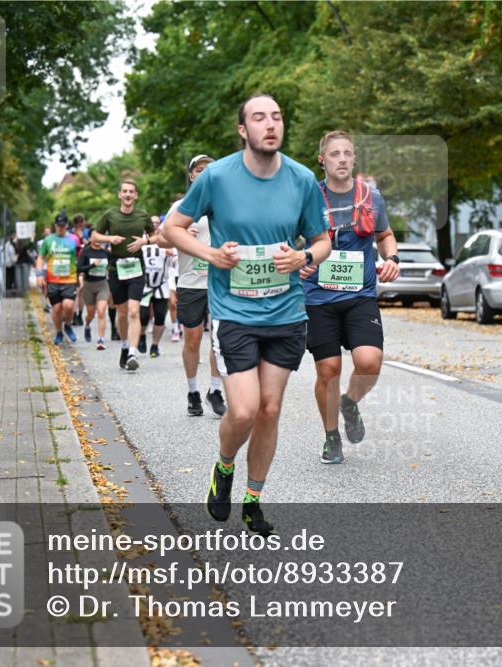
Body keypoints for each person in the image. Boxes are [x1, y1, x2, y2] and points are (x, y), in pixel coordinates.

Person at [162, 94, 331, 535]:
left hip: (286, 312)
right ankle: (224, 468)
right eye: (259, 118)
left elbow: (322, 240)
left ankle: (253, 500)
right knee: (243, 410)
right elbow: (171, 228)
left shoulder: (302, 179)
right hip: (234, 311)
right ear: (243, 130)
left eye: (276, 117)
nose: (270, 125)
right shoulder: (217, 177)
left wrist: (304, 257)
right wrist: (212, 254)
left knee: (270, 410)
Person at [299, 131, 399, 464]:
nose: (341, 159)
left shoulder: (371, 197)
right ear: (322, 160)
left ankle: (350, 402)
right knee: (328, 369)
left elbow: (385, 235)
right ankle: (331, 437)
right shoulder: (308, 198)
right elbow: (289, 240)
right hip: (319, 298)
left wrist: (392, 258)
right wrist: (299, 261)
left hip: (360, 295)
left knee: (369, 363)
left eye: (347, 153)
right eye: (334, 154)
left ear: (354, 159)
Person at [161, 157, 226, 417]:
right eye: (200, 170)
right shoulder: (181, 207)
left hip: (219, 281)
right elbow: (162, 240)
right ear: (191, 176)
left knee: (220, 339)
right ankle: (192, 392)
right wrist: (179, 236)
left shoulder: (225, 203)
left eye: (209, 169)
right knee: (193, 339)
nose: (205, 173)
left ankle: (215, 390)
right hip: (190, 283)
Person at [91, 179, 158, 371]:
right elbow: (94, 236)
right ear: (119, 194)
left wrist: (145, 241)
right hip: (116, 268)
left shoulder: (142, 215)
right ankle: (125, 345)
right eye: (125, 191)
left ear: (136, 195)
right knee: (121, 312)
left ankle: (132, 353)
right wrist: (109, 238)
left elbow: (156, 236)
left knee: (134, 311)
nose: (128, 194)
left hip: (136, 267)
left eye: (131, 192)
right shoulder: (110, 215)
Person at [36, 213, 81, 344]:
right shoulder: (48, 240)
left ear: (67, 225)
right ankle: (59, 332)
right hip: (53, 280)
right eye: (58, 225)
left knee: (68, 305)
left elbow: (80, 257)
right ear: (55, 225)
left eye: (63, 225)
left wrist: (81, 274)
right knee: (56, 308)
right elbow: (41, 258)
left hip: (70, 279)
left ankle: (67, 325)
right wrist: (39, 274)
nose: (61, 228)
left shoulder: (74, 239)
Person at [137, 228, 177, 357]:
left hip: (161, 285)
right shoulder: (141, 244)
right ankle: (141, 335)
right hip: (145, 286)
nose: (154, 227)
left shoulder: (167, 243)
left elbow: (176, 256)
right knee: (143, 316)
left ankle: (155, 345)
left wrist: (171, 252)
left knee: (160, 316)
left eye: (156, 224)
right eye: (151, 224)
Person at [77, 234, 111, 349]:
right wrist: (92, 265)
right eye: (94, 238)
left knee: (101, 311)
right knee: (90, 314)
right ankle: (87, 324)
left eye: (99, 238)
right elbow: (79, 268)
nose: (97, 240)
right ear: (90, 239)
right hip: (89, 285)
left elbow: (113, 266)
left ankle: (101, 340)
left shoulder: (106, 253)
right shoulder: (85, 252)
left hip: (102, 284)